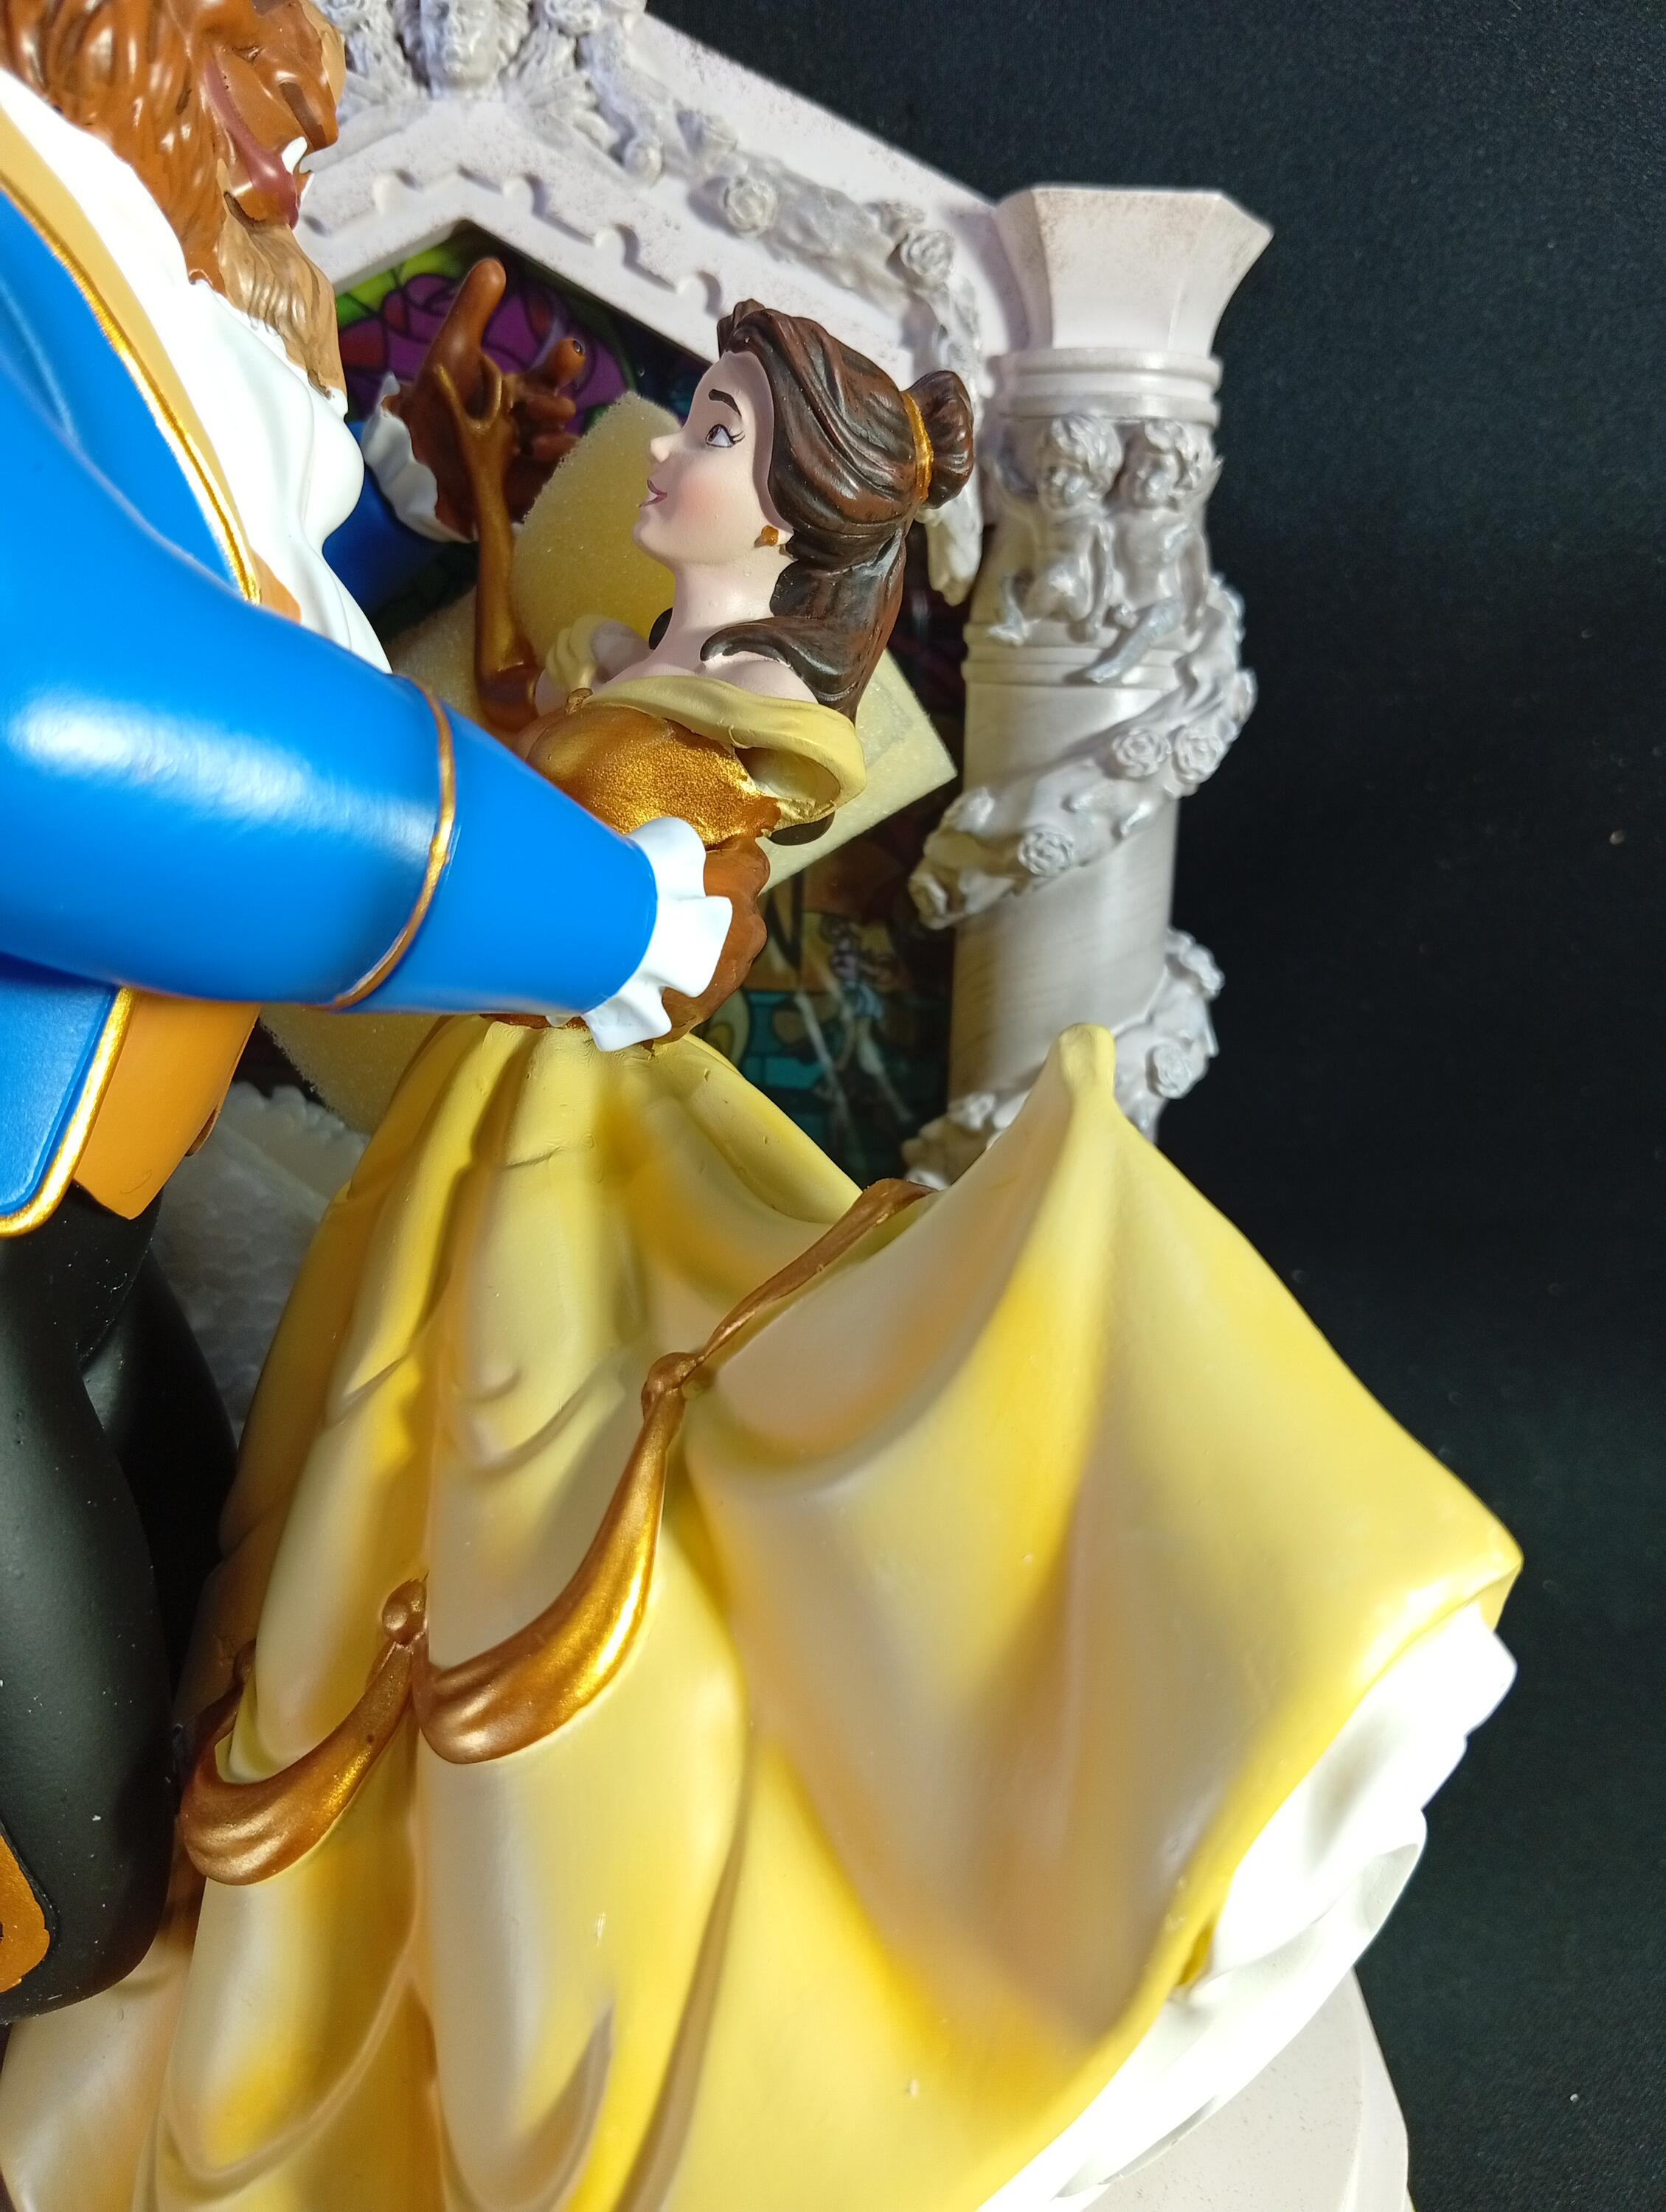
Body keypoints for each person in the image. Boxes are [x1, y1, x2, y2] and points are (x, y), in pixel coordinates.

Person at [0, 302, 1520, 2212]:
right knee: (393, 1482)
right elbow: (512, 742)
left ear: (792, 512)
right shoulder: (645, 657)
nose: (667, 449)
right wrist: (482, 525)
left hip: (575, 1129)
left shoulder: (759, 717)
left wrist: (592, 892)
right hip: (487, 1116)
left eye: (711, 429)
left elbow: (693, 930)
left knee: (543, 1492)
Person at [0, 0, 732, 2018]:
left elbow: (198, 571)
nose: (311, 90)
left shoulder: (74, 266)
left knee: (213, 1696)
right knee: (67, 1896)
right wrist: (585, 910)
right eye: (242, 37)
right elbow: (65, 717)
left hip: (79, 1254)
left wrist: (404, 525)